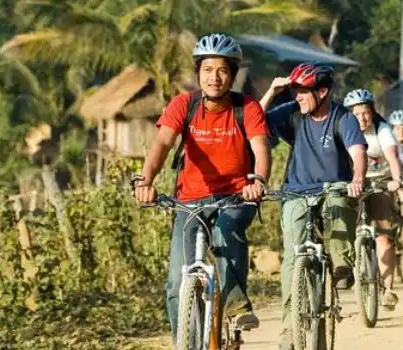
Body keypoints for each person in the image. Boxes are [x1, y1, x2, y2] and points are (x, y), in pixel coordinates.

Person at [132, 33, 271, 342]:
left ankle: (236, 306)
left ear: (233, 74)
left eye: (222, 70)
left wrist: (257, 181)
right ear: (198, 72)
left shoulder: (247, 108)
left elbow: (261, 149)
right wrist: (146, 181)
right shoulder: (184, 104)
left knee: (225, 230)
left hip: (236, 197)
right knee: (175, 283)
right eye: (207, 69)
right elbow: (162, 144)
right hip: (189, 201)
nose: (214, 77)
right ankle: (184, 341)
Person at [259, 62, 368, 349]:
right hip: (296, 191)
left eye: (303, 92)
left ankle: (342, 265)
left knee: (338, 207)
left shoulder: (342, 118)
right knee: (292, 257)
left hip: (334, 187)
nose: (297, 97)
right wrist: (272, 91)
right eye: (295, 91)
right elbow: (254, 120)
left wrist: (357, 178)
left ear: (323, 91)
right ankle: (288, 328)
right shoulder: (294, 114)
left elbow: (357, 152)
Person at [342, 88, 403, 309]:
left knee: (384, 236)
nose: (362, 118)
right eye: (357, 114)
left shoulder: (383, 130)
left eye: (366, 112)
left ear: (373, 112)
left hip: (381, 183)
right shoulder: (344, 130)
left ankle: (388, 289)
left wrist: (396, 178)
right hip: (353, 185)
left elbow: (393, 156)